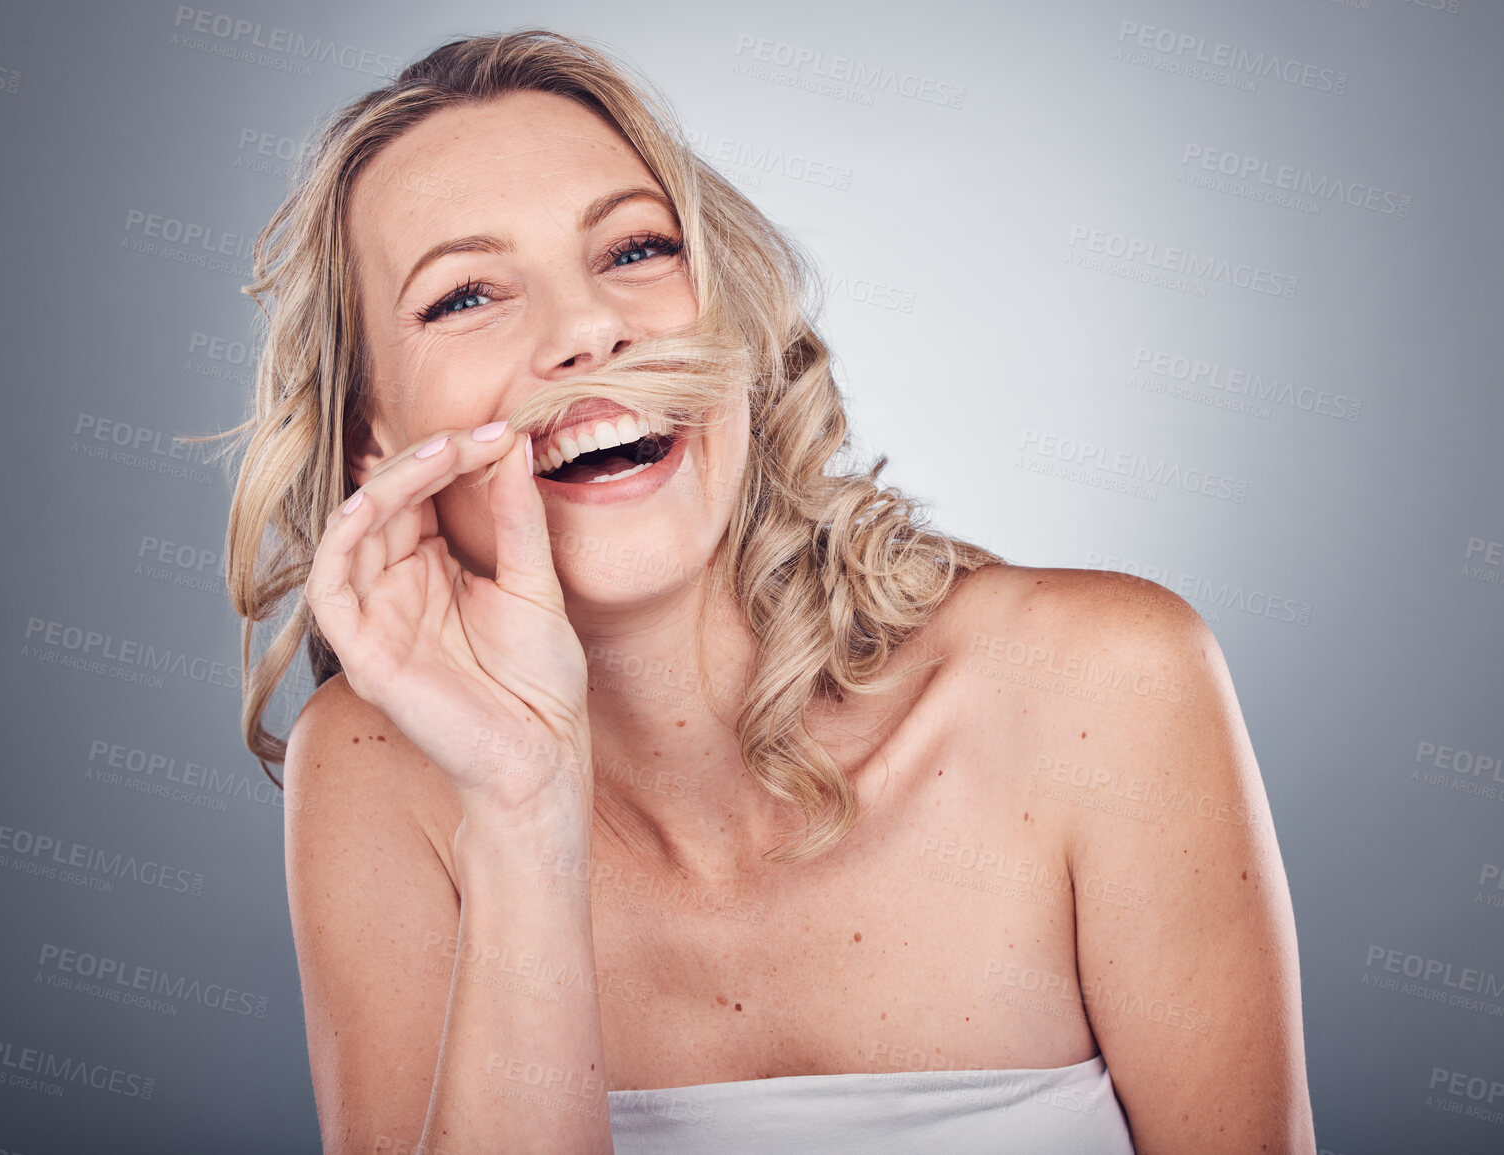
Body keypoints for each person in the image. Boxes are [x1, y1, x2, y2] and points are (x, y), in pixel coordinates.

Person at [220, 29, 1316, 1155]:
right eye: (463, 298)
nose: (592, 330)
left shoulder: (1107, 687)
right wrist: (520, 804)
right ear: (374, 439)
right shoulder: (373, 771)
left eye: (636, 249)